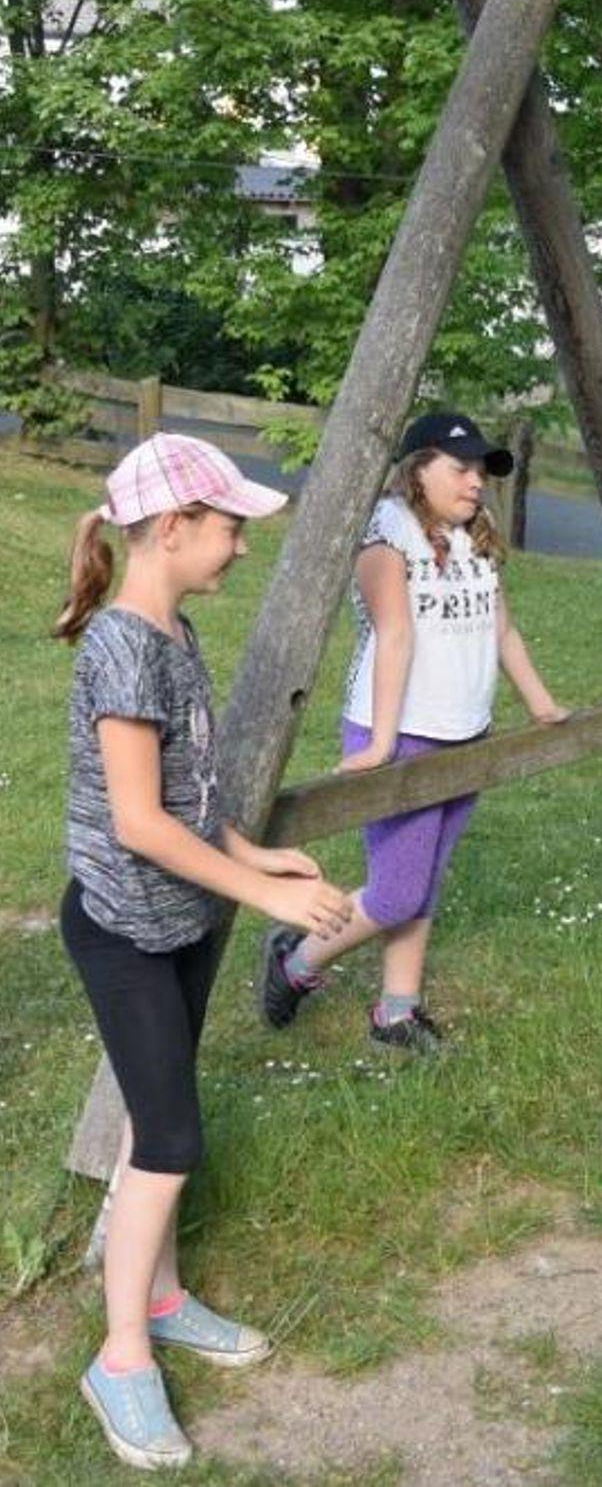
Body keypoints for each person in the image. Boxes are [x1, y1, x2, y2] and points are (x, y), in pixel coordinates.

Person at [53, 434, 354, 1470]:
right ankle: (120, 1357)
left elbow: (187, 798)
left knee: (160, 1117)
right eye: (230, 526)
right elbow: (137, 822)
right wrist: (265, 892)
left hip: (177, 918)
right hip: (123, 930)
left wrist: (251, 850)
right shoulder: (123, 648)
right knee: (172, 1139)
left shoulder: (174, 632)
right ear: (174, 528)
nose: (240, 545)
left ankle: (162, 1296)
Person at [258, 413, 567, 1052]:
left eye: (481, 472)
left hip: (466, 734)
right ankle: (295, 960)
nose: (476, 482)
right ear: (417, 470)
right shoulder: (387, 538)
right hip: (403, 733)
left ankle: (396, 1013)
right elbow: (395, 636)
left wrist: (542, 707)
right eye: (461, 469)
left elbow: (503, 632)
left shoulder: (474, 540)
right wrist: (380, 744)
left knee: (422, 881)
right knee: (397, 892)